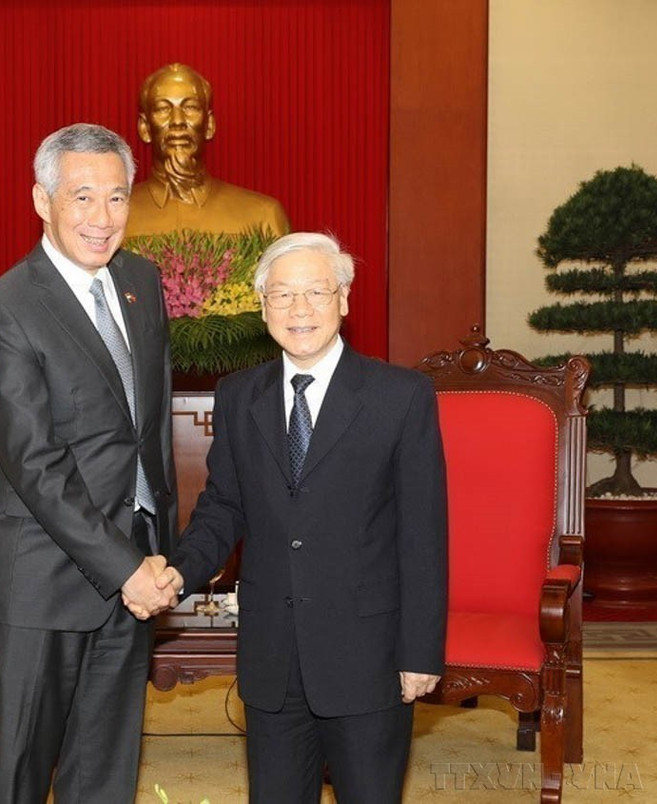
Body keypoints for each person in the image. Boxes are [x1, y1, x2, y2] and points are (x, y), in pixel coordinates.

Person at [156, 232, 448, 803]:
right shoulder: (239, 395)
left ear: (343, 299)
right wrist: (178, 573)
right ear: (262, 307)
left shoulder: (401, 395)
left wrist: (420, 652)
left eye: (315, 292)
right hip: (272, 657)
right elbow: (224, 505)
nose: (299, 309)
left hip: (370, 656)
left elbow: (423, 535)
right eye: (282, 295)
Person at [0, 123, 179, 803]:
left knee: (104, 772)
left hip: (133, 568)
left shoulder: (141, 281)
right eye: (82, 197)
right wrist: (123, 567)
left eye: (117, 198)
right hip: (45, 576)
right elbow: (34, 462)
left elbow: (148, 432)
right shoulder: (5, 308)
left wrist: (151, 555)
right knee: (15, 773)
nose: (102, 217)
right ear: (41, 200)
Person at [126, 62, 291, 238]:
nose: (177, 121)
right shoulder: (112, 217)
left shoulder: (262, 217)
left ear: (210, 125)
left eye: (190, 107)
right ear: (144, 128)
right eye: (163, 109)